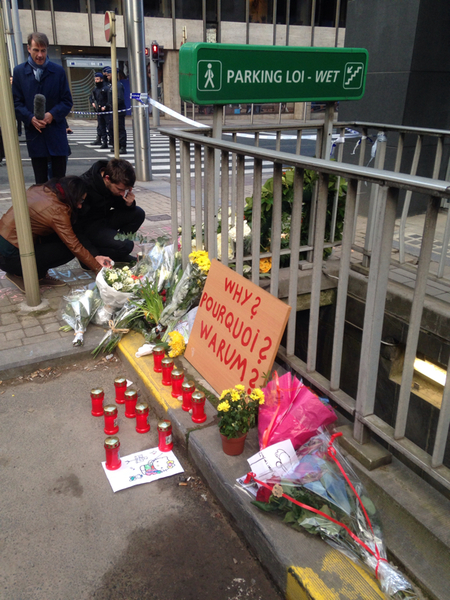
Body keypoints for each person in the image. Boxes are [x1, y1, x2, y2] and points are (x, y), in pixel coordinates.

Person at [0, 177, 112, 293]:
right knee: (69, 250)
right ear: (72, 196)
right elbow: (74, 245)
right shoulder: (58, 210)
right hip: (9, 257)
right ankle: (22, 275)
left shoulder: (42, 189)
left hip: (8, 248)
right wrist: (99, 269)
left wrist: (95, 257)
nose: (80, 206)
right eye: (80, 201)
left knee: (56, 237)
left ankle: (39, 275)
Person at [12, 32, 72, 185]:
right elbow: (16, 103)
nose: (40, 55)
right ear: (28, 49)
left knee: (59, 183)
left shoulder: (58, 72)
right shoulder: (19, 72)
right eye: (36, 50)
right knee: (40, 184)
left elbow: (66, 101)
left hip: (56, 136)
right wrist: (30, 118)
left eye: (43, 50)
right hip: (35, 136)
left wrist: (51, 115)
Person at [75, 159, 145, 263]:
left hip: (103, 220)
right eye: (120, 189)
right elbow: (77, 228)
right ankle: (89, 260)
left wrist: (128, 204)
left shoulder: (114, 176)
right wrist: (93, 254)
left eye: (125, 190)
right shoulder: (85, 186)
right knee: (126, 245)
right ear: (107, 178)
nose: (122, 193)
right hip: (88, 227)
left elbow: (118, 205)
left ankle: (118, 252)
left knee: (138, 213)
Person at [103, 66, 127, 154]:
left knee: (120, 128)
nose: (107, 77)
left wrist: (111, 105)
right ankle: (117, 145)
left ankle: (122, 146)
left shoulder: (118, 85)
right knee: (113, 128)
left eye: (109, 75)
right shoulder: (112, 85)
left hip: (118, 110)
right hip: (113, 110)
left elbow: (120, 99)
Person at [90, 72, 108, 149]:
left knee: (109, 127)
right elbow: (91, 97)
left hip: (106, 111)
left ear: (101, 79)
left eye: (97, 79)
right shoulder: (95, 89)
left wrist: (106, 106)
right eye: (95, 79)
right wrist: (93, 103)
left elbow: (109, 99)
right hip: (99, 111)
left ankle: (112, 142)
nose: (96, 81)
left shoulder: (106, 88)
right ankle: (104, 142)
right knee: (101, 127)